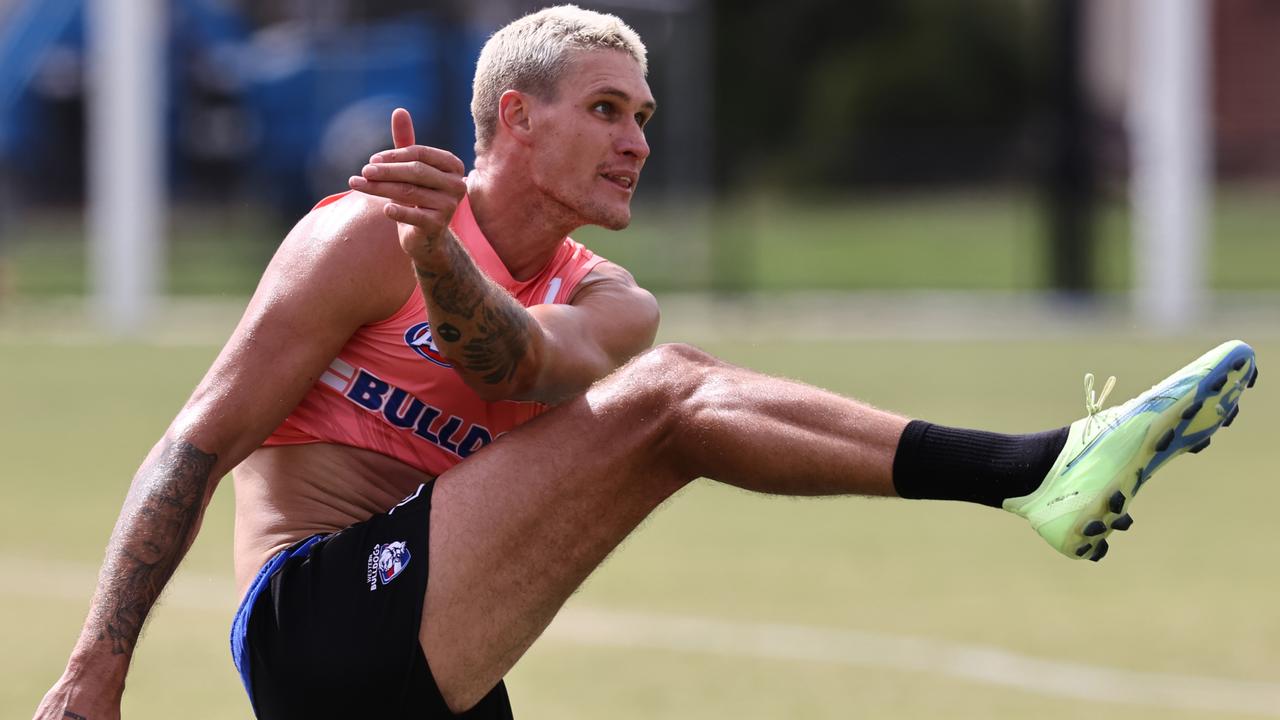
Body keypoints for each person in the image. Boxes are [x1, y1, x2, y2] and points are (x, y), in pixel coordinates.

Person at [35, 6, 1258, 720]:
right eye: (607, 110)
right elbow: (198, 438)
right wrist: (99, 661)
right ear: (516, 118)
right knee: (670, 397)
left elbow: (519, 363)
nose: (636, 142)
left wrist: (442, 265)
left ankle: (1041, 475)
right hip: (314, 629)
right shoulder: (363, 233)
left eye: (646, 118)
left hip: (441, 659)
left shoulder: (610, 300)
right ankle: (1036, 469)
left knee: (657, 388)